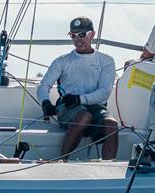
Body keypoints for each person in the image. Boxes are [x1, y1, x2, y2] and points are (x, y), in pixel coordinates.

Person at [37, 17, 118, 160]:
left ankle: (109, 169)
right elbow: (44, 85)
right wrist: (45, 102)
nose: (77, 39)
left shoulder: (106, 60)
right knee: (84, 116)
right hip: (67, 107)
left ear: (92, 35)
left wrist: (79, 99)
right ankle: (61, 160)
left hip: (95, 107)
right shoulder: (62, 61)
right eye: (73, 35)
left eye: (82, 35)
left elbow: (105, 92)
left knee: (112, 125)